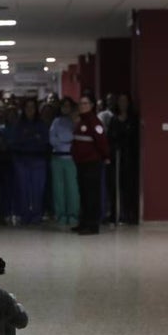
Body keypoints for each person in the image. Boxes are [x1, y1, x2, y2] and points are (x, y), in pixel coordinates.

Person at [71, 94, 110, 235]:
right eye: (80, 103)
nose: (82, 106)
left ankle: (93, 225)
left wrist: (105, 156)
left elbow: (102, 143)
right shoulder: (80, 122)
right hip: (81, 164)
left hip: (92, 164)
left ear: (91, 105)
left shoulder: (94, 123)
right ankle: (84, 222)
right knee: (84, 195)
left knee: (92, 195)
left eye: (85, 103)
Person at [9, 98, 51, 224]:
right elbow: (15, 142)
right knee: (23, 189)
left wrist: (30, 138)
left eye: (32, 107)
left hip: (38, 161)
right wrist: (32, 138)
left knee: (38, 190)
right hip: (22, 161)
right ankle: (24, 215)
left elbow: (45, 141)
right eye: (27, 107)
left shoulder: (42, 124)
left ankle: (37, 215)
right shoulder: (19, 125)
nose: (30, 110)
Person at [107, 92, 140, 224]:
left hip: (129, 158)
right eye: (120, 101)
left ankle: (128, 213)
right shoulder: (114, 119)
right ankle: (115, 213)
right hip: (117, 157)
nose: (123, 104)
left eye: (125, 101)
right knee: (115, 185)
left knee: (128, 186)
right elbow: (110, 137)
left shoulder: (133, 119)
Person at [49, 96, 80, 226]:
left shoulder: (76, 121)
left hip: (71, 159)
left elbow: (75, 137)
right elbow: (52, 140)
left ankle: (73, 215)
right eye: (63, 106)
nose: (65, 108)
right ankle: (60, 215)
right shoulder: (56, 121)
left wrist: (63, 139)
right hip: (57, 159)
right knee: (58, 189)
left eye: (68, 106)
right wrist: (66, 140)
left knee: (72, 189)